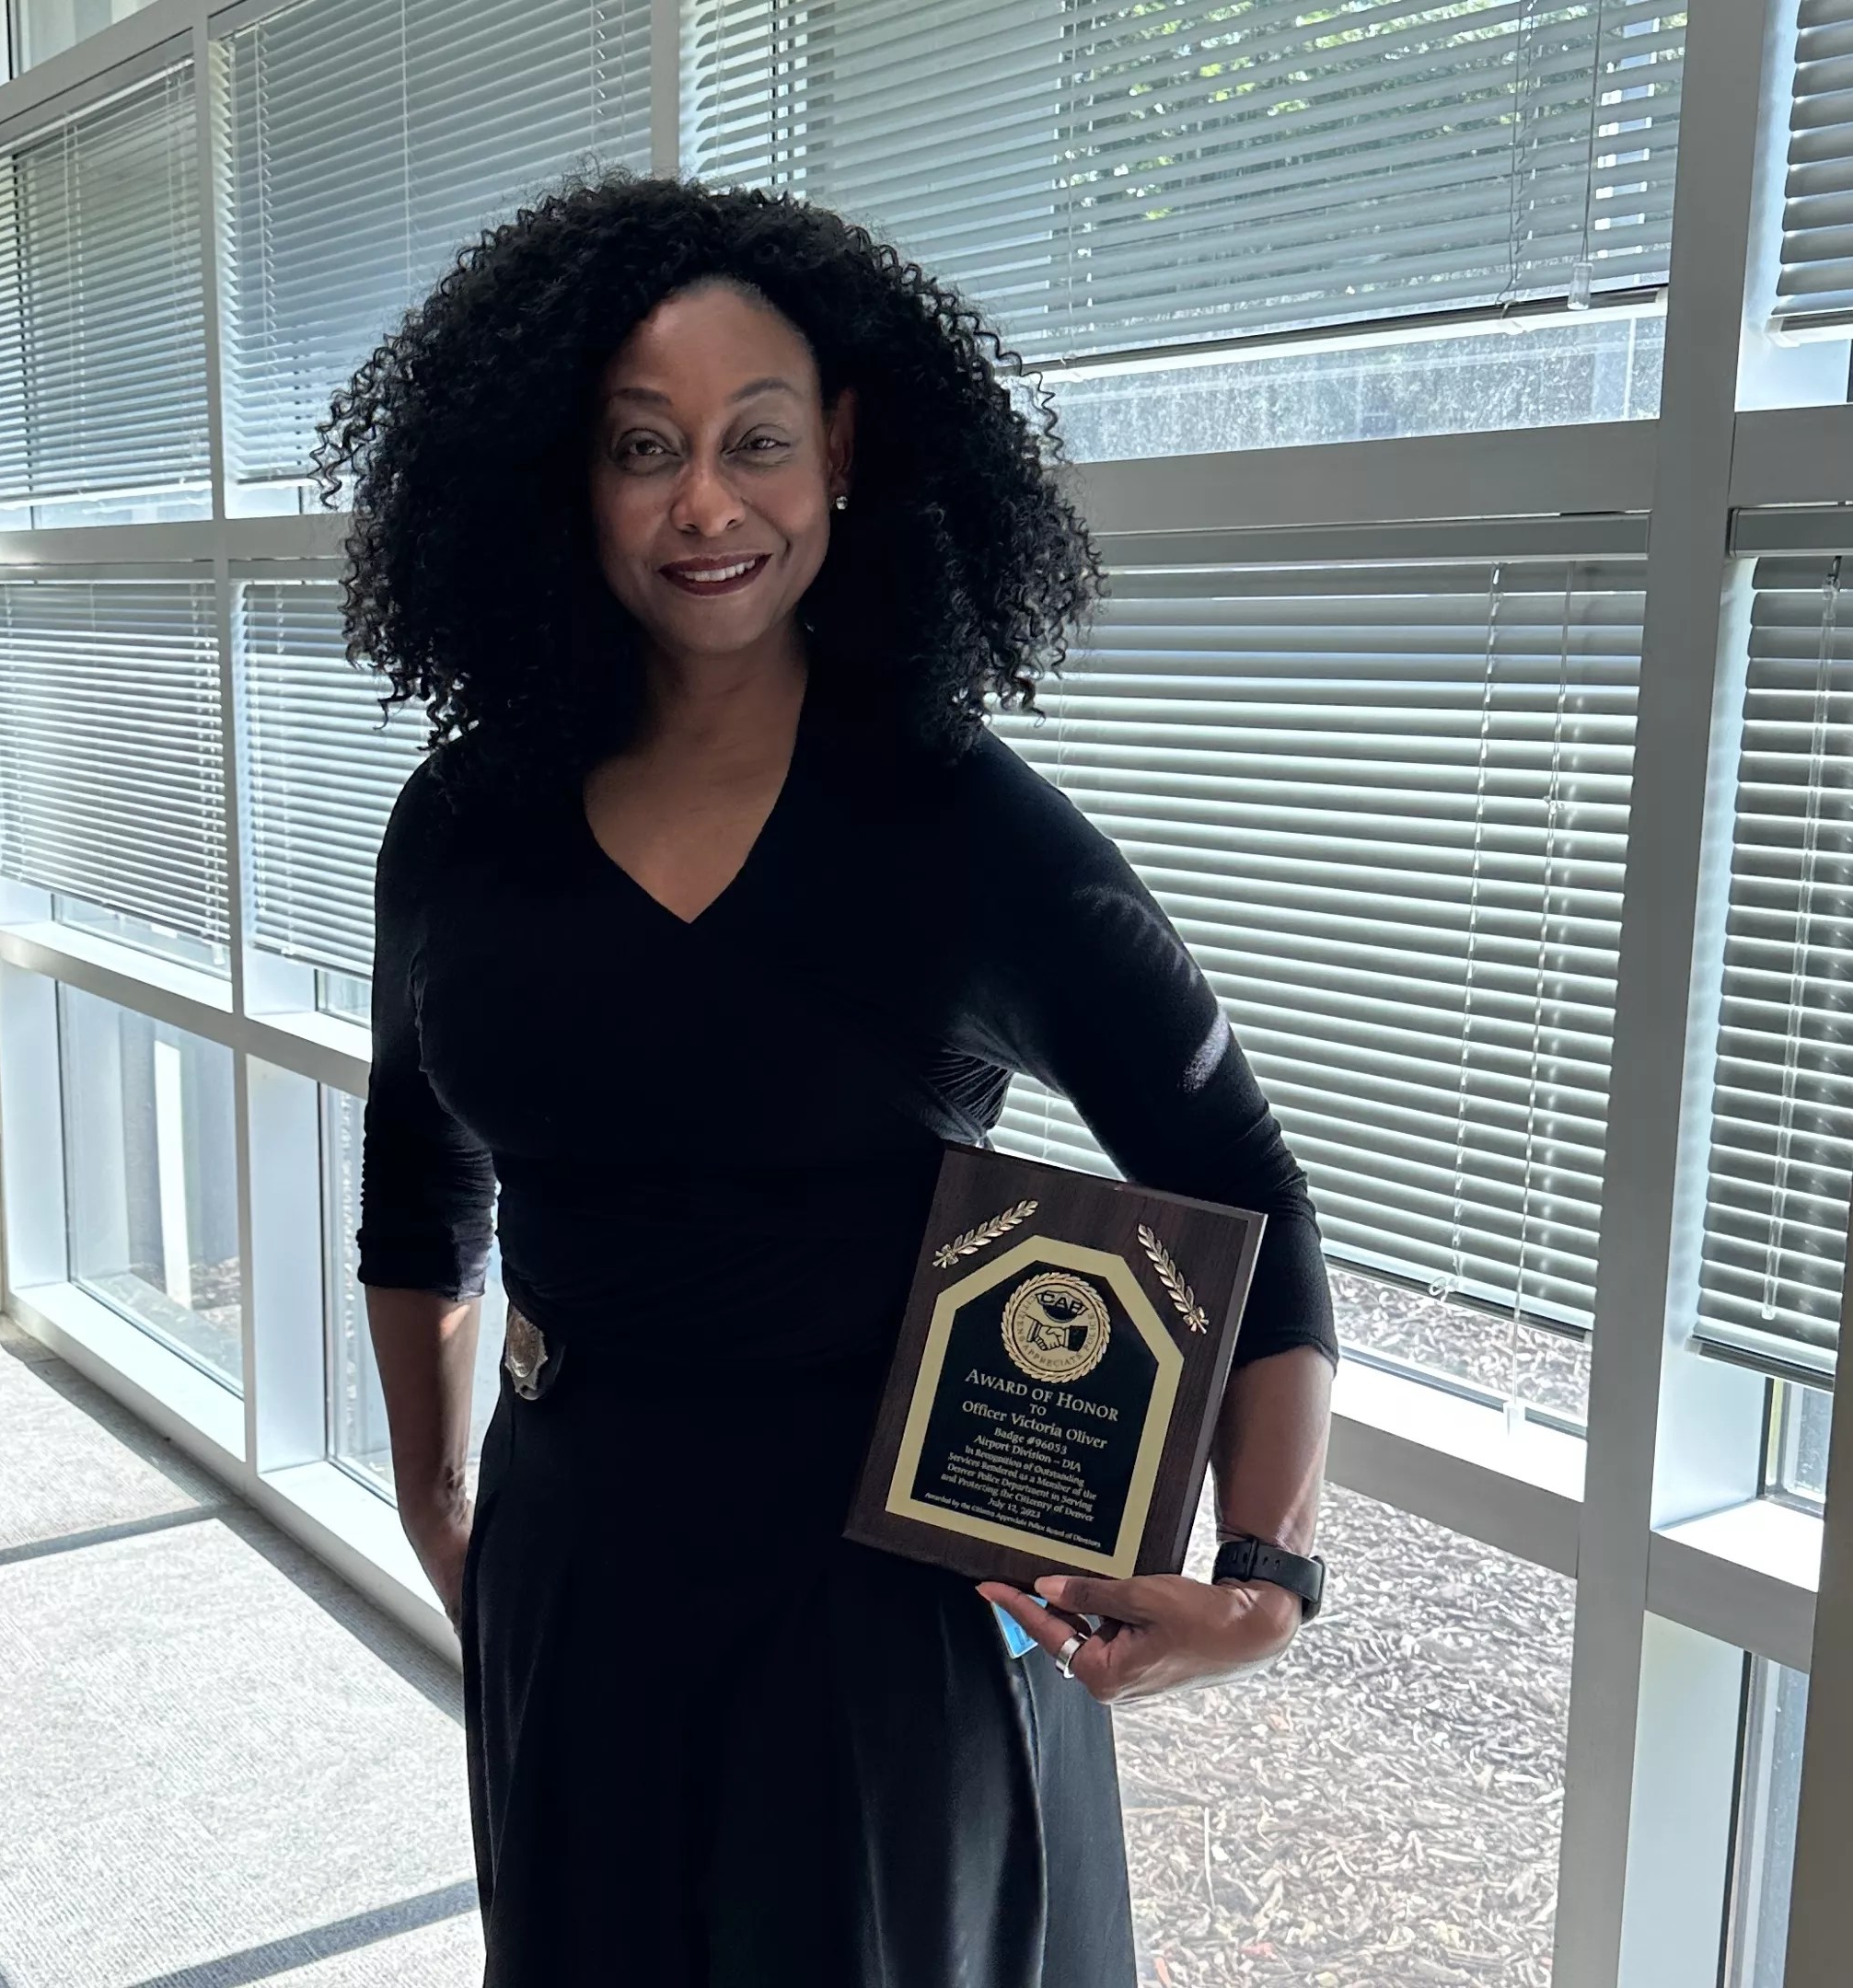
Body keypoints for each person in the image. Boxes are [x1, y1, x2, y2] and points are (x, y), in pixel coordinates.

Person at [321, 174, 1338, 1988]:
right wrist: (433, 1497)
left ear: (846, 452)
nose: (705, 504)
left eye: (758, 441)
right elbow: (419, 1183)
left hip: (891, 1609)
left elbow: (1234, 1177)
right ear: (565, 476)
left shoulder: (961, 829)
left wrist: (1267, 1576)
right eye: (643, 448)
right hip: (576, 1558)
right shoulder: (461, 821)